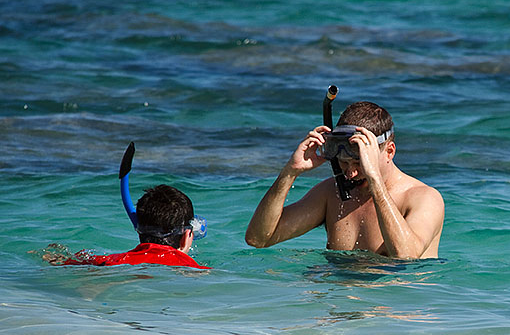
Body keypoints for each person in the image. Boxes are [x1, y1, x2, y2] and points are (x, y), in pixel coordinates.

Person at [245, 101, 444, 259]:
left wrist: (375, 181)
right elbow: (258, 238)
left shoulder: (424, 198)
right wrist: (290, 172)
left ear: (389, 151)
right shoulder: (331, 194)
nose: (350, 173)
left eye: (358, 163)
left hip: (393, 307)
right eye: (343, 162)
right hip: (339, 304)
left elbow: (406, 257)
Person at [58, 185, 209, 269]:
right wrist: (182, 256)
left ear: (138, 230)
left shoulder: (111, 261)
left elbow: (59, 262)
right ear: (187, 235)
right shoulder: (193, 269)